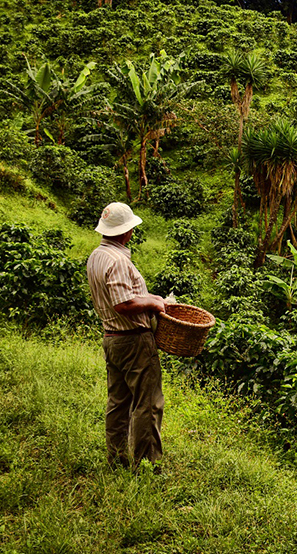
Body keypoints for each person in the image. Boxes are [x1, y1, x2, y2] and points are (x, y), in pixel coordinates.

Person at [86, 201, 166, 470]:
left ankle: (116, 459)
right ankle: (146, 463)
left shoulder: (97, 256)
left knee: (118, 402)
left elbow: (121, 298)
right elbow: (124, 305)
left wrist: (150, 297)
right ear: (126, 231)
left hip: (112, 338)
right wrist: (154, 304)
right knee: (148, 404)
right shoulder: (118, 260)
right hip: (133, 340)